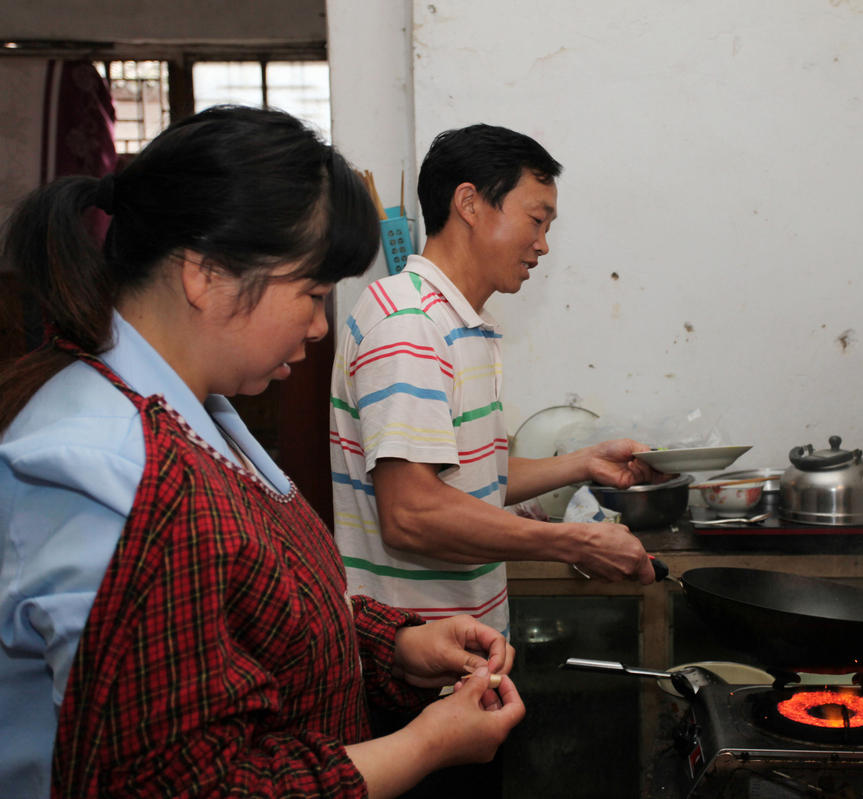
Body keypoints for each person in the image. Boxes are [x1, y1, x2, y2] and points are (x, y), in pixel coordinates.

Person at [0, 106, 524, 799]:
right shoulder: (115, 472)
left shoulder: (198, 412)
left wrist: (390, 643)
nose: (317, 326)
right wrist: (424, 744)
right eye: (310, 293)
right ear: (207, 273)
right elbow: (182, 784)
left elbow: (245, 609)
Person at [329, 124, 661, 639]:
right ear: (470, 203)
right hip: (414, 648)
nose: (543, 245)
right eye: (536, 219)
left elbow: (473, 481)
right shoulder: (408, 323)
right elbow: (413, 513)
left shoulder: (459, 323)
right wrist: (575, 542)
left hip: (464, 638)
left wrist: (583, 462)